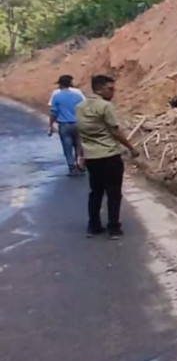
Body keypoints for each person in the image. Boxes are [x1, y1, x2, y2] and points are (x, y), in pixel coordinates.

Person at [75, 75, 140, 239]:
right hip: (109, 156)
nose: (113, 92)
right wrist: (131, 148)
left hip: (91, 158)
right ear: (99, 89)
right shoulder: (106, 106)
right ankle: (114, 228)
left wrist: (80, 155)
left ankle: (93, 225)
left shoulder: (80, 107)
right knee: (114, 192)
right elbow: (115, 131)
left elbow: (80, 133)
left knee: (95, 192)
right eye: (110, 89)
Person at [48, 75, 86, 176]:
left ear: (60, 84)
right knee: (79, 144)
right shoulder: (77, 96)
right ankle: (79, 161)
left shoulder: (57, 96)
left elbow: (53, 112)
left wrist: (51, 125)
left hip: (64, 125)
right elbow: (84, 110)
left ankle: (71, 166)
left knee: (67, 146)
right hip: (78, 123)